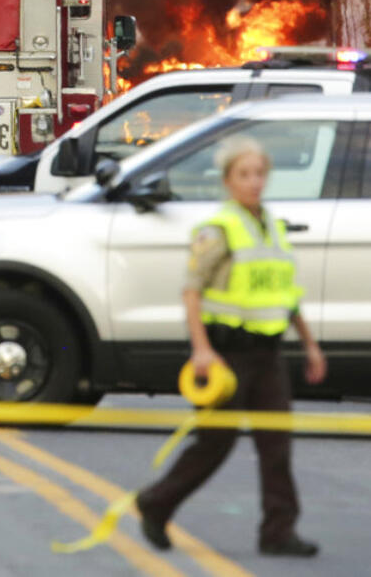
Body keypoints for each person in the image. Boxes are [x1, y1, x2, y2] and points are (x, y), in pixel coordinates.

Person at [135, 136, 325, 558]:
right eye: (245, 174)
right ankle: (156, 502)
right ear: (227, 181)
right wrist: (201, 350)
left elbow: (286, 294)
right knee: (214, 443)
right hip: (227, 354)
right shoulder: (219, 230)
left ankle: (278, 532)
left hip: (268, 354)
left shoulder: (273, 227)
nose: (254, 182)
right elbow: (191, 291)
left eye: (260, 174)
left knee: (276, 444)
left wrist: (310, 345)